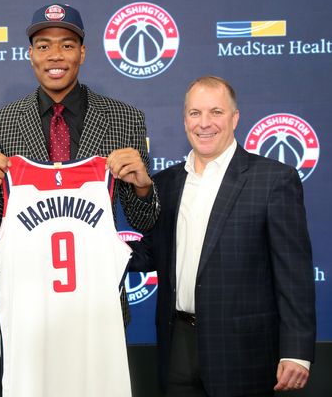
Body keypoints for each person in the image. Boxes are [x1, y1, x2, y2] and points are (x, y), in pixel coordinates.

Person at [131, 76, 316, 396]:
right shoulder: (165, 183)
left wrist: (296, 351)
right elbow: (151, 253)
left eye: (215, 112)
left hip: (244, 351)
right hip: (178, 345)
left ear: (234, 118)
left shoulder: (272, 180)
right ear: (184, 118)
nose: (204, 123)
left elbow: (294, 274)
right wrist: (91, 247)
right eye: (194, 113)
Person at [0, 2, 159, 237]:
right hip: (28, 268)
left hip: (97, 267)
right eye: (43, 46)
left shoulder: (125, 119)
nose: (55, 56)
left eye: (67, 45)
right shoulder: (3, 121)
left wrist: (143, 188)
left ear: (82, 53)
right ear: (30, 55)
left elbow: (143, 221)